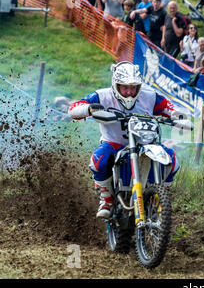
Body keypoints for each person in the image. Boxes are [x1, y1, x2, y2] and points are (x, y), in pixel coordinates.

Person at [68, 61, 180, 219]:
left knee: (173, 160)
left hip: (146, 143)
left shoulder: (149, 96)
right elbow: (73, 108)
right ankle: (106, 200)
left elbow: (170, 107)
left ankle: (161, 197)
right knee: (99, 159)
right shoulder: (102, 96)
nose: (129, 92)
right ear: (116, 85)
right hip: (114, 143)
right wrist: (89, 109)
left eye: (133, 88)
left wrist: (178, 116)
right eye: (125, 87)